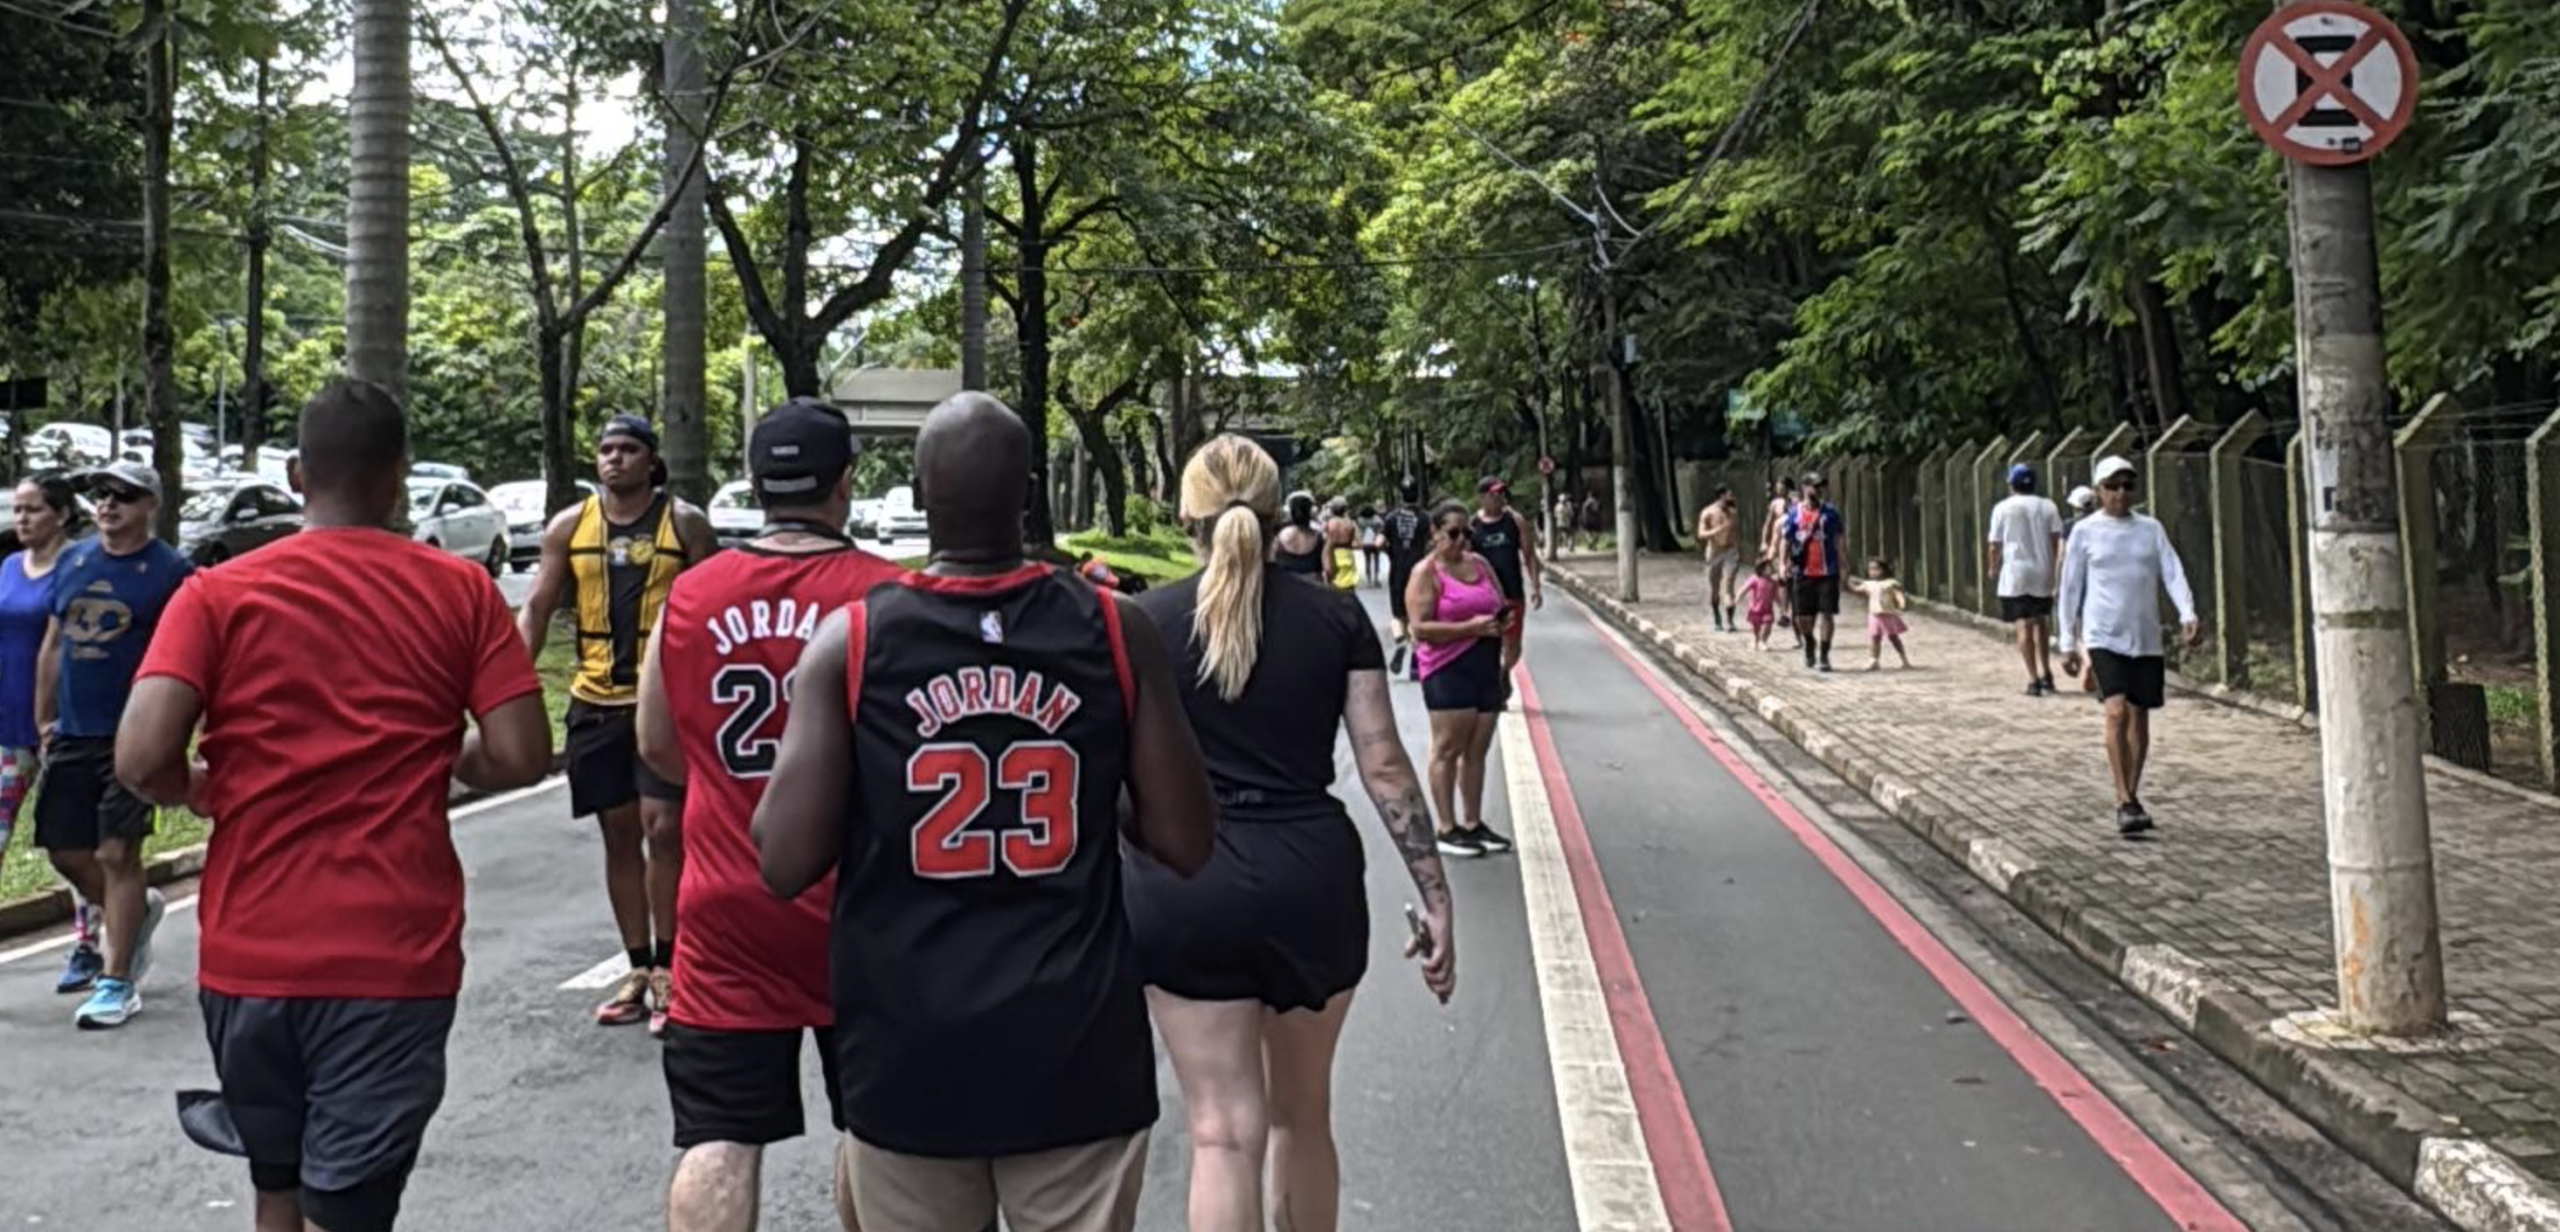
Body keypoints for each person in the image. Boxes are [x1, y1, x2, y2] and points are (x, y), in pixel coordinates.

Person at [754, 392, 1217, 1232]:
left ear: (921, 497)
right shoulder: (1114, 629)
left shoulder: (852, 643)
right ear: (1029, 491)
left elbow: (782, 862)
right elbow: (1186, 841)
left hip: (908, 1053)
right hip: (1076, 1050)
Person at [116, 379, 553, 1229]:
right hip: (392, 958)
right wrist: (436, 751)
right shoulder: (461, 593)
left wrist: (193, 788)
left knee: (274, 1189)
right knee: (347, 1209)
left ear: (293, 475)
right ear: (397, 478)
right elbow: (521, 754)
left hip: (250, 953)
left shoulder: (217, 593)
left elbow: (139, 755)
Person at [1124, 435, 1455, 1232]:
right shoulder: (1337, 618)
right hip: (1311, 880)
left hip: (1184, 885)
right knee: (1301, 1120)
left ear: (1184, 517)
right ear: (1278, 519)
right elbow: (1383, 765)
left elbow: (1109, 775)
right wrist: (1436, 895)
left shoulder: (1139, 622)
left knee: (1220, 1134)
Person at [634, 398, 902, 1232]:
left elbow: (656, 744)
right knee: (881, 1133)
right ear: (845, 486)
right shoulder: (890, 597)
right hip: (861, 906)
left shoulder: (693, 594)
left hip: (726, 905)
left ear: (754, 485)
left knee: (717, 1135)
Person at [518, 415, 716, 1032]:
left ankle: (671, 966)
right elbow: (538, 606)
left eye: (628, 450)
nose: (615, 459)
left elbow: (715, 603)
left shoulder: (683, 525)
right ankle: (638, 966)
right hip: (595, 701)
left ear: (650, 461)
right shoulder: (569, 528)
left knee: (664, 831)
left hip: (664, 705)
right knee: (618, 832)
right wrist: (504, 682)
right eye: (605, 450)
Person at [37, 459, 190, 1028]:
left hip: (133, 733)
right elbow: (53, 643)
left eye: (123, 496)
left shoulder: (171, 571)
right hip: (74, 731)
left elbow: (188, 654)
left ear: (149, 504)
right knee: (63, 849)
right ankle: (133, 910)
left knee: (116, 853)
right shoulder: (74, 559)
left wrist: (175, 730)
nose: (107, 505)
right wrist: (45, 719)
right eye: (100, 495)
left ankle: (116, 979)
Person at [2057, 456, 2201, 838]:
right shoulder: (2085, 533)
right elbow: (2069, 588)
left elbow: (2172, 570)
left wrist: (2188, 612)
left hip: (2146, 636)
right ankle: (2122, 799)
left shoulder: (2150, 529)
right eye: (2113, 486)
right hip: (2103, 635)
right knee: (2116, 712)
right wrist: (2067, 642)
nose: (2121, 493)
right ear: (2099, 491)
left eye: (2127, 486)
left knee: (2140, 715)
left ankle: (2132, 794)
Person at [3, 476, 90, 987]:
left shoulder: (80, 568)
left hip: (63, 727)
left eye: (33, 510)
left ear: (60, 514)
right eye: (18, 510)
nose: (22, 519)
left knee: (71, 843)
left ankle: (87, 943)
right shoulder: (9, 568)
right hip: (7, 727)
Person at [1409, 501, 1513, 858]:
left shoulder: (1480, 564)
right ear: (1435, 533)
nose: (1460, 540)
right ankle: (1446, 826)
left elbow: (1499, 599)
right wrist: (1469, 628)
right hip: (1446, 668)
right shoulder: (1426, 573)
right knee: (1448, 747)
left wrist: (1502, 623)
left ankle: (1472, 821)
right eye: (1452, 533)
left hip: (1484, 663)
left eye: (1466, 533)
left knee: (1477, 749)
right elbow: (1420, 627)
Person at [1988, 463, 2065, 695]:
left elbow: (1994, 544)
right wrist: (2054, 568)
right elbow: (2055, 541)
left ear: (2011, 483)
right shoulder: (2048, 506)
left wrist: (1993, 567)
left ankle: (2032, 679)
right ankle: (2046, 672)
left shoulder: (2002, 508)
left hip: (2016, 572)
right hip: (2043, 570)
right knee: (2041, 621)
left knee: (2023, 625)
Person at [1468, 478, 1542, 673]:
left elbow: (1530, 556)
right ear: (1482, 498)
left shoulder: (1515, 521)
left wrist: (1536, 586)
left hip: (1512, 591)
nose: (1499, 497)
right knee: (1489, 640)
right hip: (1484, 595)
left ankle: (1504, 671)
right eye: (1494, 494)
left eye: (1501, 493)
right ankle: (1493, 677)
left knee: (1513, 644)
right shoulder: (1472, 525)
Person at [1781, 470, 1846, 672]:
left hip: (1827, 571)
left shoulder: (1831, 513)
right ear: (1805, 488)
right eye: (1814, 486)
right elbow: (1786, 539)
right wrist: (1783, 564)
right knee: (1802, 617)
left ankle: (1824, 655)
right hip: (1803, 571)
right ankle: (1809, 641)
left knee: (1827, 613)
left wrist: (1844, 566)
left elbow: (1839, 540)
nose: (1818, 490)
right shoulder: (1795, 513)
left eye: (1820, 487)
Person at [1379, 480, 1431, 677]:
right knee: (1416, 618)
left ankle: (1401, 641)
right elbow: (1434, 540)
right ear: (1417, 493)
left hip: (1398, 572)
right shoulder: (1425, 518)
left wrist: (1391, 551)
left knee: (1398, 616)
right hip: (1419, 573)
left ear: (1401, 494)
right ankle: (1415, 667)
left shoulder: (1391, 518)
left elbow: (1378, 542)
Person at [1843, 556, 1912, 670]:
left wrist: (1902, 604)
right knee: (1875, 638)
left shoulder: (1890, 583)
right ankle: (1874, 660)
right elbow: (1856, 589)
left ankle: (1904, 659)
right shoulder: (1868, 584)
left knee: (1893, 637)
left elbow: (1898, 595)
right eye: (1871, 569)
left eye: (1877, 569)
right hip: (1874, 615)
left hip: (1888, 614)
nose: (1873, 572)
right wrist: (1847, 581)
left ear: (1884, 570)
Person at [1696, 486, 1740, 632]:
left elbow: (1734, 532)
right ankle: (1717, 618)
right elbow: (1701, 534)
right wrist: (1718, 529)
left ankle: (1730, 621)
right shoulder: (1708, 512)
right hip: (1714, 552)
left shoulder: (1733, 512)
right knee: (1715, 588)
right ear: (1721, 496)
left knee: (1729, 585)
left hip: (1730, 551)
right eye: (1729, 495)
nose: (1732, 497)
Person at [1759, 477, 1797, 636]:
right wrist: (1764, 543)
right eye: (1776, 486)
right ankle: (1784, 611)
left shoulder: (1797, 501)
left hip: (1793, 546)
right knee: (1781, 581)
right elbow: (1768, 524)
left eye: (1780, 486)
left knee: (1788, 581)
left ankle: (1790, 612)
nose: (1777, 488)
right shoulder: (1775, 504)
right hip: (1778, 546)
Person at [1271, 490, 1324, 579]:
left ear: (1290, 512)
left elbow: (1272, 561)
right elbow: (1328, 569)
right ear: (1311, 512)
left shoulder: (1281, 535)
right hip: (1312, 588)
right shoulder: (1319, 537)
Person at [1321, 497, 1359, 591]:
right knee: (1349, 585)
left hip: (1333, 555)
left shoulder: (1329, 523)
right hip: (1347, 554)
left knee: (1333, 585)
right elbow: (1357, 542)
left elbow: (1324, 539)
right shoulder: (1350, 523)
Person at [1741, 560, 1778, 651]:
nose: (1772, 568)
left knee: (1768, 626)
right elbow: (1745, 588)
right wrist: (1737, 598)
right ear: (1762, 570)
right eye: (1769, 567)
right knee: (1756, 629)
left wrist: (1782, 607)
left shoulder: (1773, 582)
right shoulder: (1755, 579)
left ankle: (1763, 641)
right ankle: (1756, 640)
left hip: (1768, 609)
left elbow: (1776, 595)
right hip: (1755, 609)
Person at [1356, 505, 1383, 587]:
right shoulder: (1376, 519)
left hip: (1365, 542)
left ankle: (1369, 580)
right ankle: (1376, 579)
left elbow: (1358, 528)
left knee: (1367, 560)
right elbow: (1382, 524)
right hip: (1375, 541)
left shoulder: (1360, 520)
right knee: (1377, 560)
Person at [1553, 491, 1575, 556]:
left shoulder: (1558, 506)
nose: (1564, 501)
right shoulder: (1566, 506)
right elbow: (1571, 514)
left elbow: (1555, 515)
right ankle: (1563, 549)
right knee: (1563, 536)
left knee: (1563, 536)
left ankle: (1563, 549)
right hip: (1563, 523)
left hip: (1563, 523)